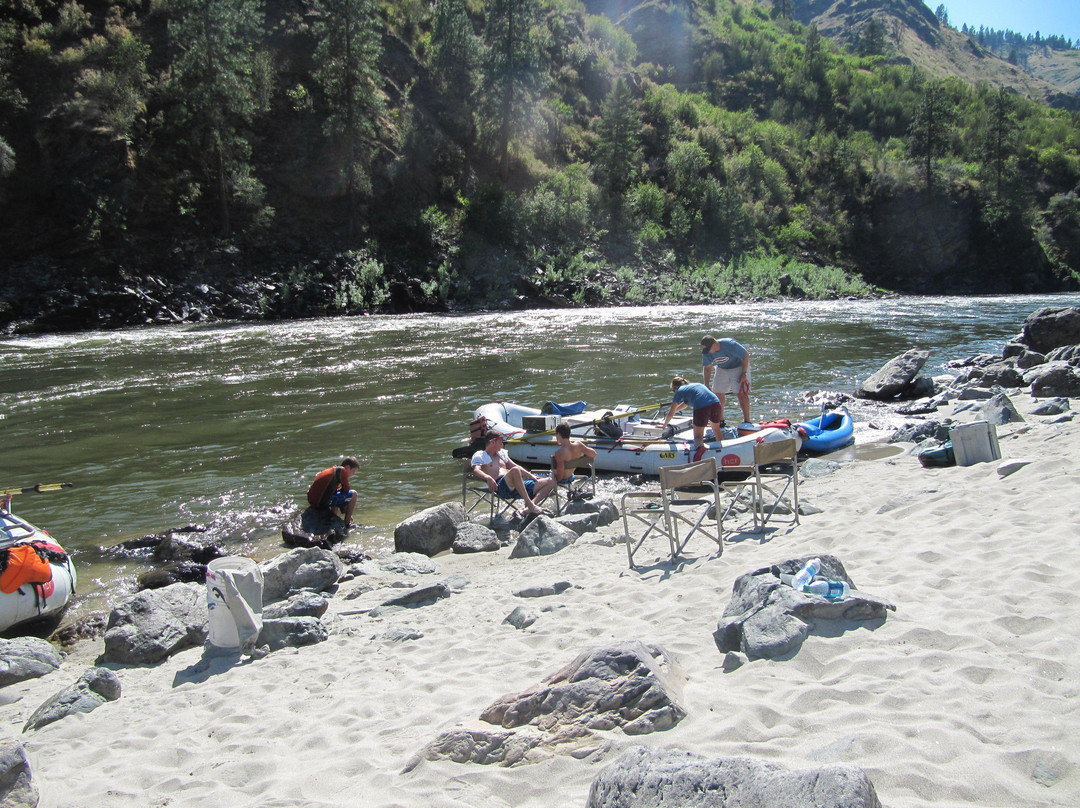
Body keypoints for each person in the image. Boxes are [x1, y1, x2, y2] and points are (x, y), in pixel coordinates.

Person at [471, 431, 554, 515]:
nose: (502, 444)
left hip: (517, 485)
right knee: (515, 470)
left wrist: (531, 476)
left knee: (551, 481)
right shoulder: (481, 455)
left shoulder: (501, 454)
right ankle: (531, 506)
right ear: (493, 442)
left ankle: (528, 508)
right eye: (500, 441)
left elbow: (515, 465)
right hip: (500, 487)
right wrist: (487, 477)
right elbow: (476, 470)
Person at [662, 376, 722, 462]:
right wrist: (675, 411)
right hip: (716, 403)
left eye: (673, 390)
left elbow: (671, 412)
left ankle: (700, 450)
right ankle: (722, 449)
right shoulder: (695, 385)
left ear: (675, 387)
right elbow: (684, 404)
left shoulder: (679, 391)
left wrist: (664, 425)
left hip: (702, 406)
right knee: (716, 430)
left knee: (698, 436)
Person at [701, 335, 751, 425]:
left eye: (709, 349)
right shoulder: (707, 352)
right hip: (722, 368)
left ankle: (747, 421)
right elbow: (707, 367)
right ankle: (720, 421)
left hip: (739, 366)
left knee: (741, 393)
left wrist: (744, 373)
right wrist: (706, 384)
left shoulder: (730, 345)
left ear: (714, 344)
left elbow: (745, 355)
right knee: (718, 393)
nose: (708, 352)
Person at [306, 457, 359, 528]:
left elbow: (337, 492)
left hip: (313, 501)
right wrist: (347, 511)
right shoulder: (342, 471)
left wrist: (344, 510)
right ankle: (347, 523)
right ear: (347, 467)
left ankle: (334, 517)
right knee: (354, 494)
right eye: (353, 471)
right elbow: (346, 490)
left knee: (336, 493)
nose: (353, 474)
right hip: (321, 502)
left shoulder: (333, 471)